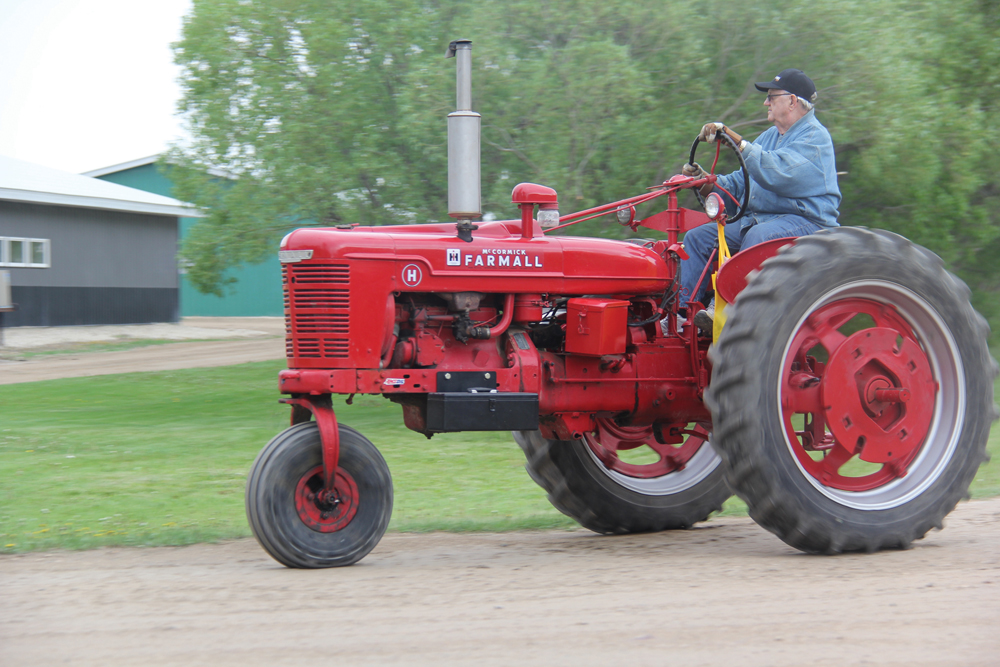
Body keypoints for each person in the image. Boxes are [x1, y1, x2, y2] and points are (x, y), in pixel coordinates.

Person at [678, 68, 842, 333]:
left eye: (771, 96)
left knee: (757, 237)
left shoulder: (815, 138)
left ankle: (730, 312)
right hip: (760, 221)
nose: (766, 102)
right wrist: (706, 181)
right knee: (697, 239)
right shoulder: (770, 136)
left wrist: (737, 140)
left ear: (791, 101)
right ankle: (681, 317)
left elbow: (776, 172)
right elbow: (740, 181)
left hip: (807, 223)